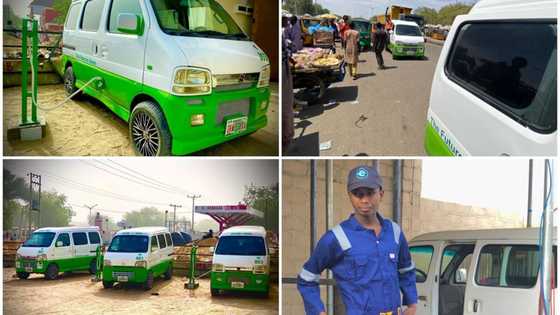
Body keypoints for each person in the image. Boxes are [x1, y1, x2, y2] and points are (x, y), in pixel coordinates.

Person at [297, 165, 418, 315]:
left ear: (381, 193)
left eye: (370, 193)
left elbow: (406, 270)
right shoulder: (337, 238)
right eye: (358, 194)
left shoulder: (394, 232)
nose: (364, 200)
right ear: (349, 195)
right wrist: (318, 311)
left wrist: (412, 304)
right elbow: (306, 279)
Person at [282, 15, 295, 152]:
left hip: (285, 67)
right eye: (286, 20)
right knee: (286, 105)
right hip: (284, 69)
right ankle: (286, 137)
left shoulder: (285, 31)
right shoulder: (282, 32)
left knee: (287, 104)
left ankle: (287, 136)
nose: (288, 23)